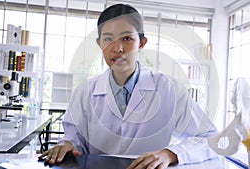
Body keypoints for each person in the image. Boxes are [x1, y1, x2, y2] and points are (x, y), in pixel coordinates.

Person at [39, 3, 218, 168]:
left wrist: (170, 154)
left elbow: (211, 139)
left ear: (141, 43)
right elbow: (75, 140)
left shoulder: (168, 88)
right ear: (99, 43)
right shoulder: (85, 92)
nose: (117, 49)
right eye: (108, 39)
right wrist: (65, 145)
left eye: (126, 39)